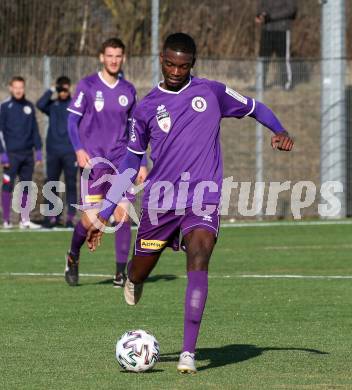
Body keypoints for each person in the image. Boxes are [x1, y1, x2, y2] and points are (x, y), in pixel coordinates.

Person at [86, 33, 294, 373]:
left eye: (183, 65)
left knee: (200, 257)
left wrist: (280, 130)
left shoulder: (211, 92)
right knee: (141, 269)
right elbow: (129, 164)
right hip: (160, 203)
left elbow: (256, 107)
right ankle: (134, 279)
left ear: (192, 64)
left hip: (202, 198)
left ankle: (188, 353)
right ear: (161, 60)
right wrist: (105, 212)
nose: (176, 71)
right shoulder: (146, 108)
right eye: (170, 64)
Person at [65, 37, 148, 287]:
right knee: (90, 221)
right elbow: (71, 122)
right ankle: (73, 256)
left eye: (118, 56)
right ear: (102, 57)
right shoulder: (87, 86)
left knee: (123, 215)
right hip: (94, 163)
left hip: (121, 161)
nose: (113, 60)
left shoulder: (128, 90)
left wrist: (141, 160)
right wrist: (78, 149)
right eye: (109, 55)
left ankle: (120, 273)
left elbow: (136, 129)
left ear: (123, 58)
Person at [0, 76, 42, 229]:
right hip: (10, 155)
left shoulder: (29, 106)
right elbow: (0, 132)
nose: (18, 90)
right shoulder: (4, 107)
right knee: (7, 185)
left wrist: (38, 150)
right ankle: (6, 220)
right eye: (15, 87)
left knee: (26, 186)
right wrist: (2, 153)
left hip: (27, 154)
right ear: (10, 88)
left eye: (21, 87)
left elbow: (35, 130)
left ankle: (25, 220)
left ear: (24, 88)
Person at [37, 76, 77, 228]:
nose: (63, 91)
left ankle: (70, 218)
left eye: (66, 88)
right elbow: (39, 104)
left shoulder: (75, 105)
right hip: (53, 151)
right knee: (52, 183)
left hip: (70, 151)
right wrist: (52, 89)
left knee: (71, 184)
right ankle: (52, 217)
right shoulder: (52, 105)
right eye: (61, 88)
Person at [256, 0, 297, 90]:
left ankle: (287, 84)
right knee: (263, 58)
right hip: (267, 29)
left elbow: (291, 10)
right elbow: (261, 6)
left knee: (284, 58)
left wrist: (271, 17)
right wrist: (260, 15)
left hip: (282, 29)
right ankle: (260, 84)